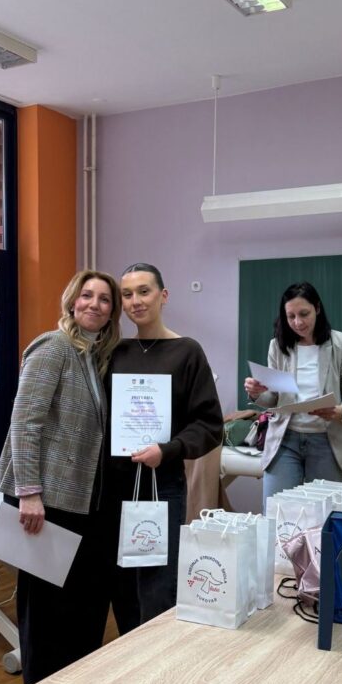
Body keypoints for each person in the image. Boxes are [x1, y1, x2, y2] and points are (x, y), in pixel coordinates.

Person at [0, 269, 122, 684]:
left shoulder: (92, 357)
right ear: (72, 301)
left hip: (80, 501)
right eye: (87, 295)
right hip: (45, 501)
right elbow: (24, 422)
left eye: (104, 299)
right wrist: (29, 493)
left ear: (112, 312)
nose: (95, 304)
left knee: (79, 604)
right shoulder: (54, 347)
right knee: (46, 610)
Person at [105, 263, 223, 633]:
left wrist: (168, 450)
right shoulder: (113, 352)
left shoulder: (187, 352)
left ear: (163, 296)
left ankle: (156, 656)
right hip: (114, 486)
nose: (136, 301)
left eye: (144, 291)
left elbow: (209, 425)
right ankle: (129, 652)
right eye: (127, 294)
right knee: (122, 584)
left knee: (157, 584)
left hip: (162, 485)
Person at [243, 282, 342, 507]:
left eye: (304, 314)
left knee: (324, 517)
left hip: (328, 441)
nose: (298, 322)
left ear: (317, 308)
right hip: (285, 440)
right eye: (291, 316)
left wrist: (341, 411)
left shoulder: (341, 344)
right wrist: (257, 394)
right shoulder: (278, 346)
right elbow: (275, 400)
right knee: (278, 513)